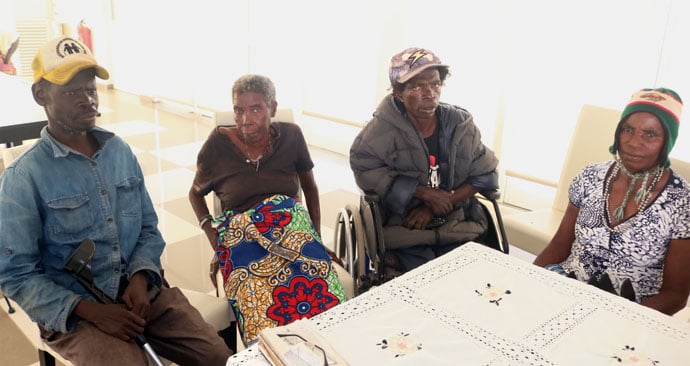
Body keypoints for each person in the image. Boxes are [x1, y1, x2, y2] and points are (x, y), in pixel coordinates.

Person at [0, 36, 232, 365]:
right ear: (41, 94)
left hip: (141, 293)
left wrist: (140, 277)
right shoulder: (24, 177)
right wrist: (93, 312)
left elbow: (149, 228)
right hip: (75, 312)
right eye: (70, 91)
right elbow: (16, 274)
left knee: (219, 357)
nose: (86, 99)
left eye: (90, 88)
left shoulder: (119, 152)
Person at [188, 74, 346, 346]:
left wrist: (315, 237)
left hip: (290, 228)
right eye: (239, 110)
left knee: (321, 296)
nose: (245, 119)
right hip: (242, 236)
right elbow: (195, 193)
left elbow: (310, 188)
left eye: (256, 109)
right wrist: (212, 235)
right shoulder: (218, 144)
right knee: (258, 306)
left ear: (272, 108)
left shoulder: (292, 136)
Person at [533, 88, 690, 315]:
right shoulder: (589, 177)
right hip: (566, 289)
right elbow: (559, 245)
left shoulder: (681, 202)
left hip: (632, 312)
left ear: (667, 142)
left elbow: (675, 295)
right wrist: (528, 280)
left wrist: (620, 322)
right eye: (628, 130)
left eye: (650, 134)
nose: (634, 142)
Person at [349, 47, 499, 275]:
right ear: (398, 93)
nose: (429, 93)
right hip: (403, 229)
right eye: (417, 87)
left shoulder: (460, 125)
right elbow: (365, 167)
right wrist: (423, 193)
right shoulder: (380, 129)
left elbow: (486, 173)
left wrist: (437, 206)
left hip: (458, 224)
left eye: (435, 84)